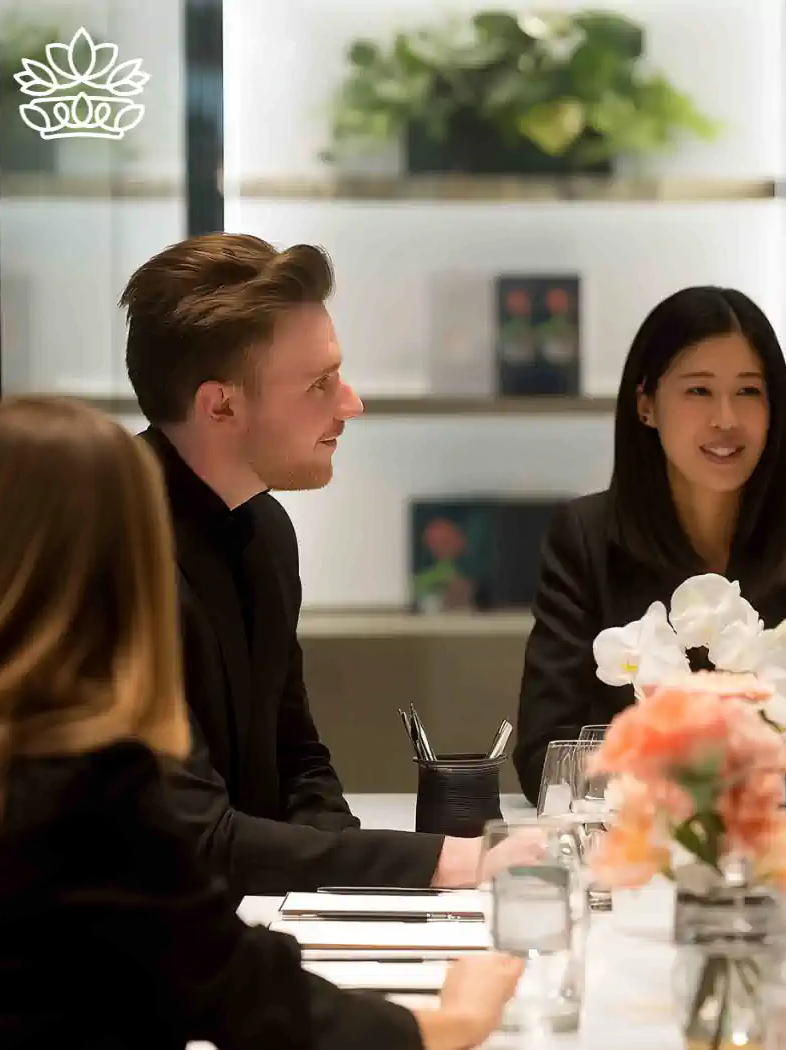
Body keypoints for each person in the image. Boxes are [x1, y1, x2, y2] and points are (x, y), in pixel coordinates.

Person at [0, 396, 523, 1050]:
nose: (347, 401)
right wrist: (458, 1019)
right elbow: (245, 997)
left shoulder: (29, 773)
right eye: (317, 382)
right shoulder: (86, 791)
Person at [120, 233, 518, 897]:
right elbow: (190, 834)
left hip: (233, 927)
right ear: (221, 405)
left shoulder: (267, 529)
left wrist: (353, 891)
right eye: (320, 384)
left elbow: (298, 764)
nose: (350, 404)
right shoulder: (109, 546)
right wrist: (442, 864)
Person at [513, 285, 786, 803]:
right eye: (698, 391)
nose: (726, 418)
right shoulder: (584, 537)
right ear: (646, 405)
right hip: (640, 852)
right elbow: (549, 757)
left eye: (749, 392)